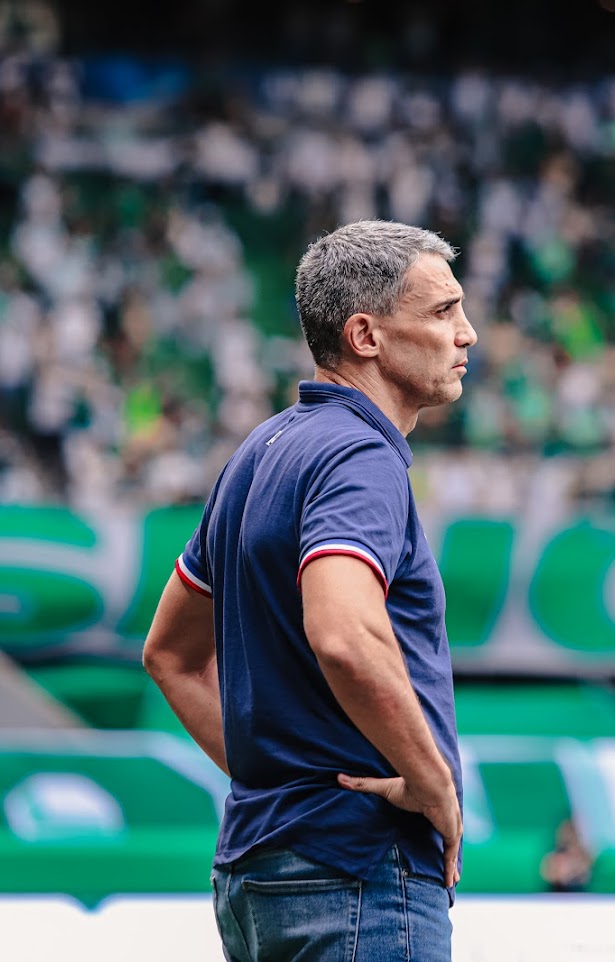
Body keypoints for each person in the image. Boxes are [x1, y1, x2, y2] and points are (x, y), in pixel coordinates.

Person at [142, 220, 477, 961]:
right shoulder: (361, 454)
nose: (468, 333)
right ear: (366, 335)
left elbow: (167, 654)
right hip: (357, 871)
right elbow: (344, 634)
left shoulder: (259, 450)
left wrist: (287, 783)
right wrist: (431, 784)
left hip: (263, 871)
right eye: (442, 311)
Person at [540, 817, 594, 893]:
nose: (559, 860)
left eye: (556, 858)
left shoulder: (569, 833)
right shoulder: (595, 885)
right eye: (556, 868)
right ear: (563, 880)